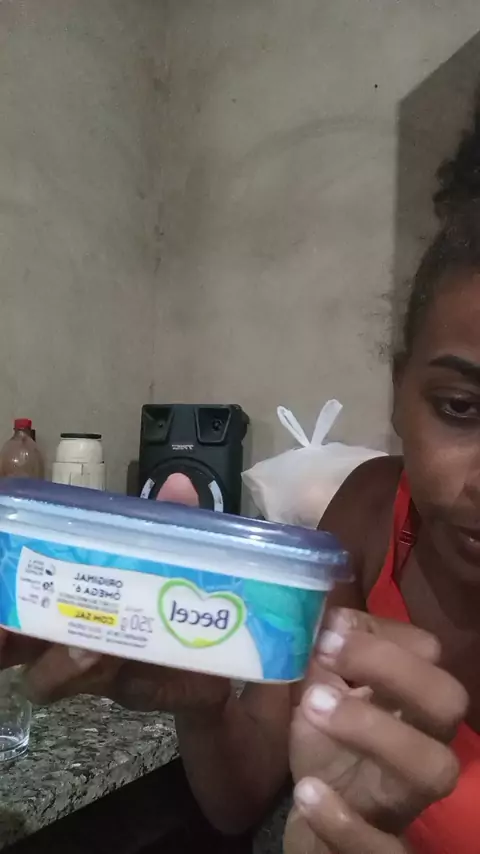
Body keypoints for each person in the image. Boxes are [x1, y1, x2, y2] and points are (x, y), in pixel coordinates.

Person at [4, 108, 480, 854]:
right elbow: (242, 799)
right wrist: (202, 705)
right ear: (399, 389)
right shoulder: (367, 515)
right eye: (460, 408)